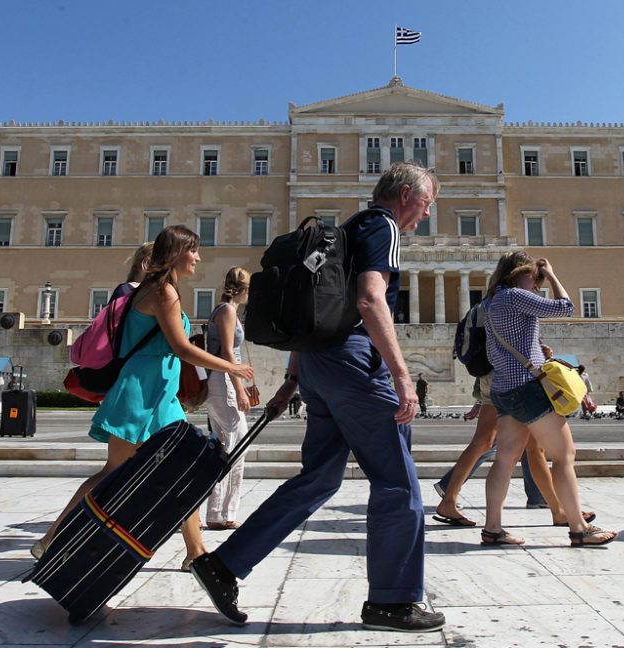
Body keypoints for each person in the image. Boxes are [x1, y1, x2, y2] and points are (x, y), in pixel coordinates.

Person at [189, 162, 446, 632]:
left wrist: (293, 378)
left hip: (317, 365)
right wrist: (402, 376)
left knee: (319, 479)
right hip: (353, 365)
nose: (425, 216)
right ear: (406, 194)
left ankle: (223, 565)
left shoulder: (346, 229)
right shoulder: (384, 226)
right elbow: (370, 300)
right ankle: (393, 601)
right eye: (427, 204)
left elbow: (316, 307)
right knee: (397, 482)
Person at [31, 226, 255, 570]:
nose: (198, 257)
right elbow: (181, 348)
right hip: (142, 393)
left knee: (177, 470)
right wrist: (232, 367)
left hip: (155, 393)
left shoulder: (158, 289)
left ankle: (195, 552)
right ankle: (52, 538)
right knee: (118, 472)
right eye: (193, 250)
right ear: (178, 253)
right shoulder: (164, 292)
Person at [480, 251, 617, 547]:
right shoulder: (515, 295)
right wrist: (552, 274)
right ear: (519, 273)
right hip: (528, 389)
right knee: (564, 455)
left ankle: (492, 528)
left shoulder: (490, 301)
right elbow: (566, 307)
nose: (537, 281)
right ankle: (579, 528)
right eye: (534, 276)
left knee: (505, 460)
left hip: (503, 390)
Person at [433, 371, 584, 527]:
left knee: (488, 442)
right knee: (531, 449)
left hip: (494, 376)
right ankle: (557, 511)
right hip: (511, 378)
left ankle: (557, 510)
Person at [203, 267, 254, 532]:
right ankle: (222, 513)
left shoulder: (226, 310)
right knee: (236, 445)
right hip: (222, 381)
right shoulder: (227, 311)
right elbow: (226, 352)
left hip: (223, 379)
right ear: (243, 288)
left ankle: (218, 513)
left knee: (227, 444)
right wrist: (240, 388)